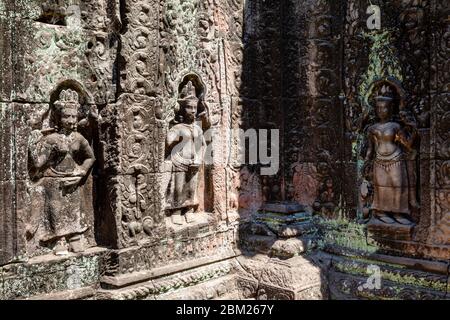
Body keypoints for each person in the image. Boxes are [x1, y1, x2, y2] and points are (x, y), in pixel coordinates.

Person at [29, 89, 95, 254]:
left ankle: (74, 237)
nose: (71, 120)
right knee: (56, 211)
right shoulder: (51, 139)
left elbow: (90, 157)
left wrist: (81, 172)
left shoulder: (78, 139)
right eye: (67, 116)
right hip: (53, 180)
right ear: (58, 117)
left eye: (74, 116)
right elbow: (38, 163)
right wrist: (32, 143)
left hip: (72, 178)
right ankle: (59, 240)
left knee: (73, 209)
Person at [365, 85, 417, 225]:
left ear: (391, 108)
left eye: (385, 107)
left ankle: (399, 213)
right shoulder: (372, 128)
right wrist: (366, 161)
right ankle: (381, 212)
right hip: (379, 160)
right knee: (380, 186)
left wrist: (413, 129)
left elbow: (407, 144)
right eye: (379, 108)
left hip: (396, 158)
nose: (381, 111)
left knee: (397, 185)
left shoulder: (395, 126)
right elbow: (370, 148)